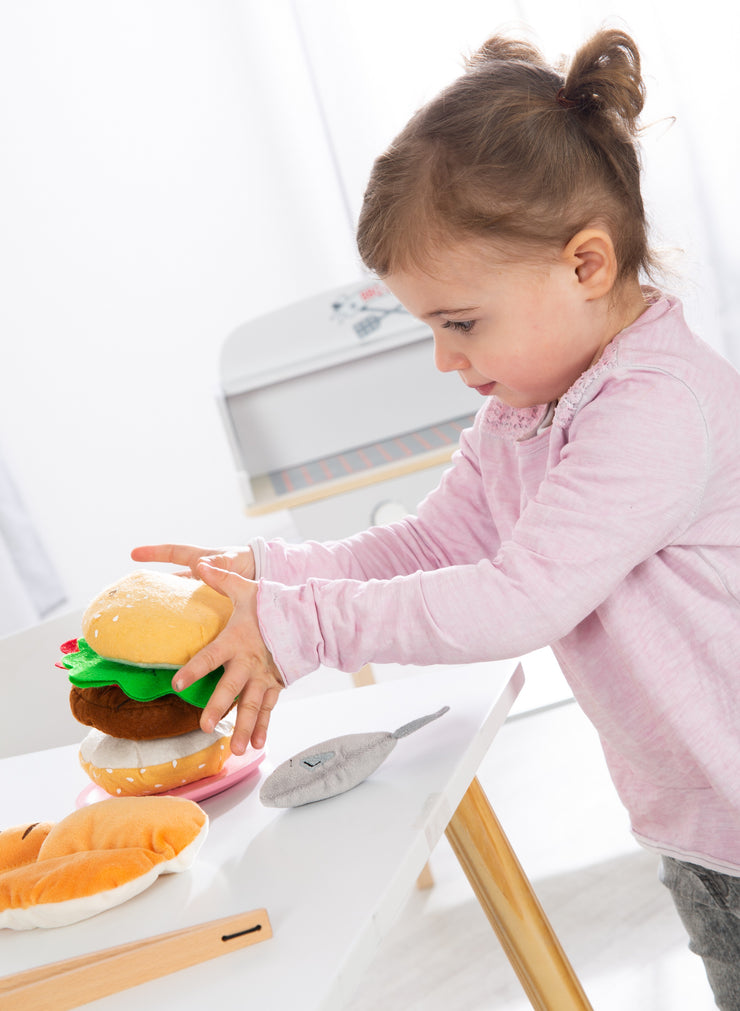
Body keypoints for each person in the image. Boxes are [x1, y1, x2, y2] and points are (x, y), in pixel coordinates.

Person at [133, 28, 740, 1008]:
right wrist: (268, 579)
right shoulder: (525, 409)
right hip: (701, 816)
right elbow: (434, 544)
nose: (443, 360)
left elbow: (519, 598)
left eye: (458, 322)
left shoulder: (652, 406)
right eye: (428, 328)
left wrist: (306, 629)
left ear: (584, 264)